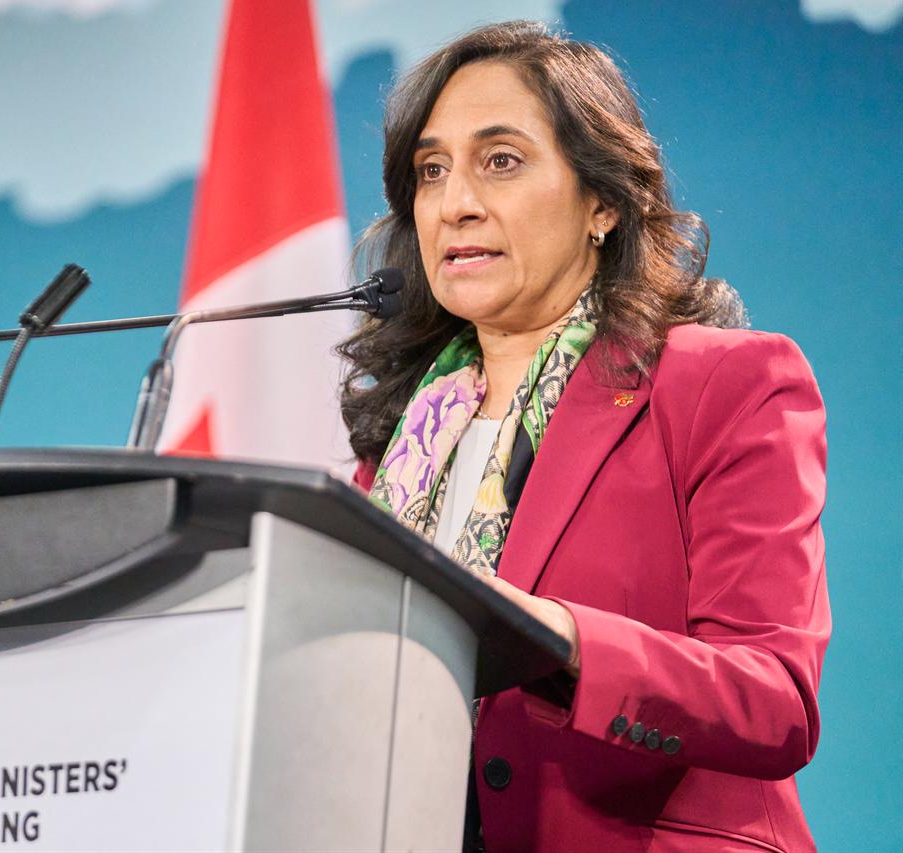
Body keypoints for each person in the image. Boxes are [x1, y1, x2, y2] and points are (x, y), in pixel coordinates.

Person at [340, 21, 829, 852]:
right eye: (431, 170)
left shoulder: (724, 386)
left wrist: (560, 641)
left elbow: (773, 698)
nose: (456, 201)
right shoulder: (395, 452)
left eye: (501, 160)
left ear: (602, 200)